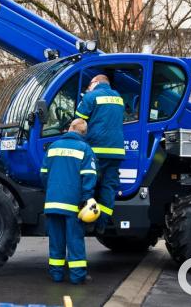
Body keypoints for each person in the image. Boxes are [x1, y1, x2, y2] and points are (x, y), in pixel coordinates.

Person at [40, 118, 97, 284]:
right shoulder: (85, 149)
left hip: (52, 202)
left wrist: (51, 190)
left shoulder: (53, 147)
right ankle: (77, 277)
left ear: (70, 128)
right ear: (84, 133)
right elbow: (89, 177)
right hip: (72, 204)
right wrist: (86, 199)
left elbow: (43, 174)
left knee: (56, 241)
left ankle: (56, 275)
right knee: (75, 241)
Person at [75, 74, 125, 234]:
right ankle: (102, 226)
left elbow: (79, 122)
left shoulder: (91, 96)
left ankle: (87, 221)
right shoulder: (119, 97)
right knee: (108, 187)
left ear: (95, 82)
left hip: (96, 149)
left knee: (89, 183)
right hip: (116, 151)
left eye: (90, 84)